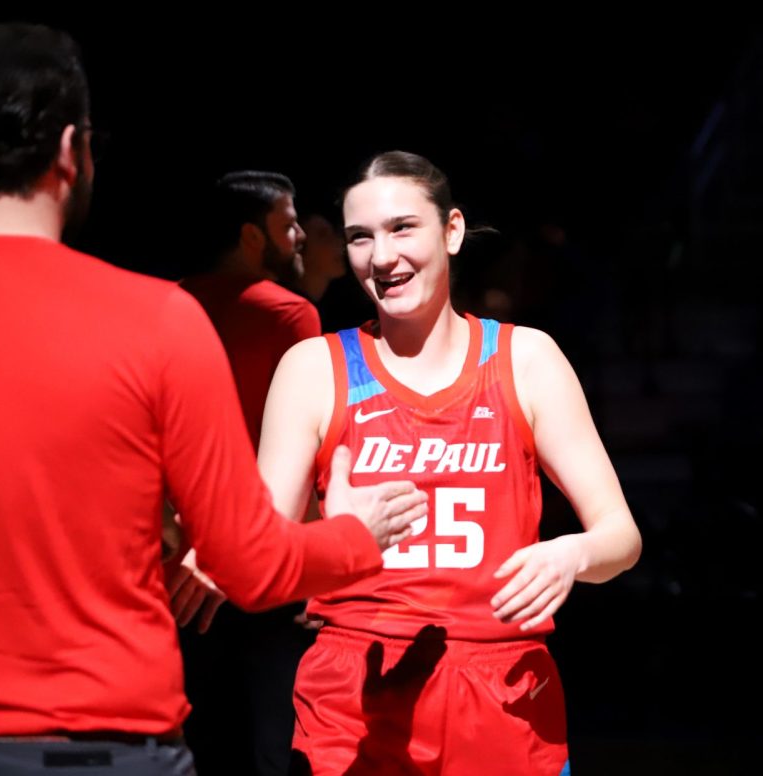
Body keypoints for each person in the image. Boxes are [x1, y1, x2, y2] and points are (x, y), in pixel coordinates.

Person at [0, 24, 424, 775]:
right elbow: (250, 565)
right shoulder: (155, 320)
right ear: (68, 152)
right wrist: (358, 533)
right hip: (113, 747)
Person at [256, 151, 642, 775]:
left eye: (403, 227)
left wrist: (570, 554)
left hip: (504, 686)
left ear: (452, 231)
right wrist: (332, 541)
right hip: (354, 689)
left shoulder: (527, 359)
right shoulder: (313, 369)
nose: (381, 257)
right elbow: (261, 562)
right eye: (360, 237)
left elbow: (621, 536)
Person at [178, 172, 324, 776]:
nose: (298, 238)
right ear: (250, 236)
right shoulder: (291, 316)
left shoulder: (168, 305)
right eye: (288, 225)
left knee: (195, 744)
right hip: (267, 563)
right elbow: (306, 449)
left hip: (177, 569)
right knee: (272, 747)